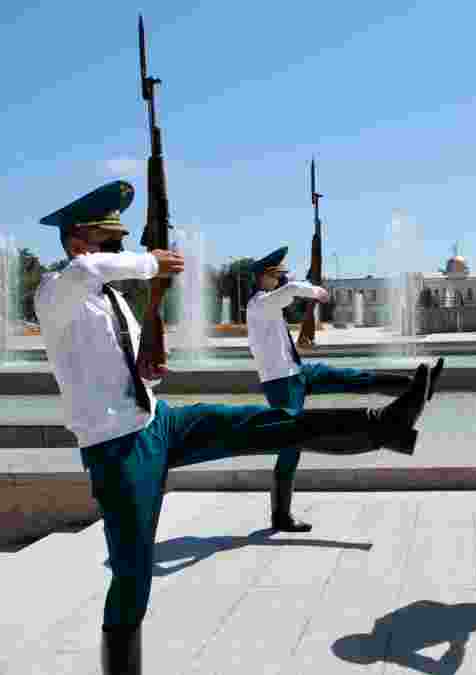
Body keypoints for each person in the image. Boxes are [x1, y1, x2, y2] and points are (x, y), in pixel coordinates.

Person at [34, 181, 433, 674]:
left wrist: (146, 366)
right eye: (112, 242)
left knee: (265, 424)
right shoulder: (56, 291)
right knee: (133, 574)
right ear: (78, 242)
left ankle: (383, 424)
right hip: (116, 448)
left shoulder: (109, 297)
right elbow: (88, 271)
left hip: (158, 422)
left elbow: (116, 360)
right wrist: (151, 262)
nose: (122, 252)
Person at [245, 246, 444, 532]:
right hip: (280, 382)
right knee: (290, 444)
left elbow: (284, 298)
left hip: (297, 373)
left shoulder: (269, 302)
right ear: (264, 276)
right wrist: (314, 291)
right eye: (276, 275)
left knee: (350, 377)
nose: (279, 279)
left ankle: (418, 385)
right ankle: (281, 515)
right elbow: (288, 294)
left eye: (280, 275)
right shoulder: (259, 304)